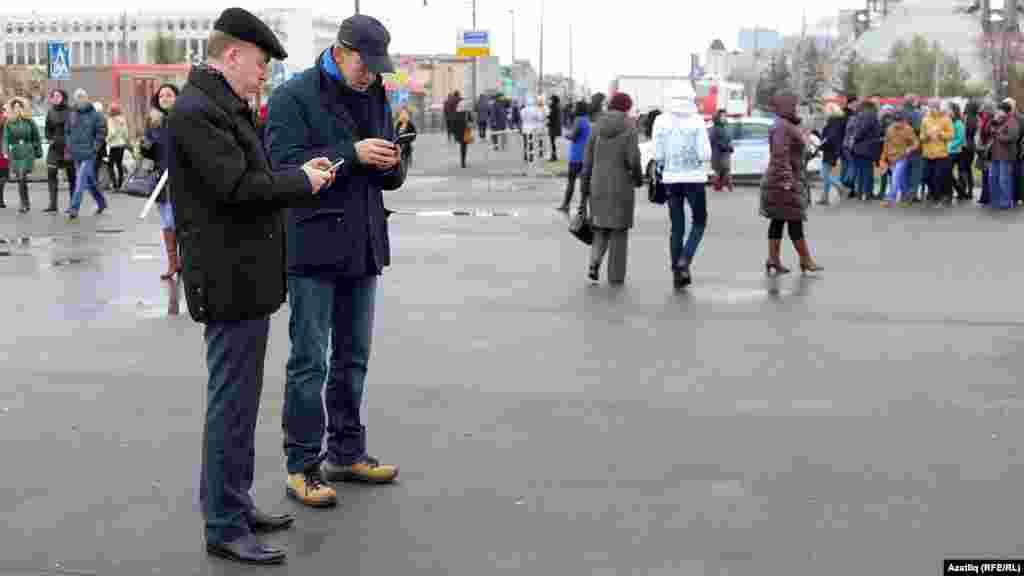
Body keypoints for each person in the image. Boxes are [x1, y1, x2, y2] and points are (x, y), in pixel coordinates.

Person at [168, 7, 335, 565]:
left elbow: (250, 179)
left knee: (239, 404)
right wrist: (302, 182)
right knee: (231, 406)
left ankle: (234, 506)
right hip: (228, 281)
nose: (264, 74)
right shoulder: (198, 111)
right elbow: (238, 186)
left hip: (244, 280)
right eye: (261, 63)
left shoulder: (222, 106)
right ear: (232, 54)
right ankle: (223, 523)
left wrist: (294, 175)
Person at [266, 14, 406, 509]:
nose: (371, 75)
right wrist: (352, 153)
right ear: (341, 51)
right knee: (310, 361)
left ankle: (347, 452)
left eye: (376, 68)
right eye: (365, 66)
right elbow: (283, 165)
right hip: (313, 247)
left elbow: (386, 173)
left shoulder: (375, 93)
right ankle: (302, 465)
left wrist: (393, 163)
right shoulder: (292, 97)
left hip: (365, 243)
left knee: (353, 358)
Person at [653, 84, 712, 290]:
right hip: (694, 179)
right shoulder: (696, 121)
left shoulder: (660, 121)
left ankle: (677, 274)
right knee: (700, 221)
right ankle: (685, 260)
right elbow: (705, 154)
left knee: (677, 227)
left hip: (671, 179)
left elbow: (658, 155)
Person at [580, 92, 642, 285]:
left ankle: (593, 265)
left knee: (599, 229)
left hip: (597, 184)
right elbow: (633, 159)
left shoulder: (597, 126)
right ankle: (615, 277)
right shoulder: (629, 128)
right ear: (626, 107)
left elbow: (587, 160)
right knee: (619, 232)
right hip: (621, 186)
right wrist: (638, 178)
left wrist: (584, 188)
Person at [760, 92, 822, 276]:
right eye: (794, 105)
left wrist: (809, 153)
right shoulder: (782, 127)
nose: (796, 108)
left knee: (778, 220)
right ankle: (805, 260)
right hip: (784, 182)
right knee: (794, 220)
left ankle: (774, 259)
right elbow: (780, 156)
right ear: (786, 106)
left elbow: (791, 153)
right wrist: (787, 180)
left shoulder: (786, 125)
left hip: (783, 180)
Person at [144, 83, 181, 279]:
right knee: (167, 221)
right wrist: (145, 147)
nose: (165, 99)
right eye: (161, 96)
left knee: (175, 220)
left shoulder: (183, 119)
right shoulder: (153, 121)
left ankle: (180, 262)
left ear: (177, 97)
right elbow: (147, 150)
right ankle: (173, 263)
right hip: (159, 177)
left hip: (180, 177)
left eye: (169, 95)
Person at [65, 89, 108, 220]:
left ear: (87, 98)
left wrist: (94, 148)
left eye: (82, 97)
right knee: (89, 182)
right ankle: (101, 202)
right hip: (76, 152)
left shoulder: (97, 115)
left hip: (90, 153)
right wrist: (69, 145)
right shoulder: (71, 114)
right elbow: (67, 131)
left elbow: (101, 133)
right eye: (78, 97)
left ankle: (74, 208)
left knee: (80, 180)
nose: (80, 100)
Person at [3, 98, 42, 214]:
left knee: (22, 176)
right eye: (15, 107)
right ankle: (25, 202)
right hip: (16, 153)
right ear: (12, 109)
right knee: (20, 179)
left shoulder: (30, 122)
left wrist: (37, 150)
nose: (17, 109)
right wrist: (5, 151)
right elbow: (5, 138)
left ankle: (24, 204)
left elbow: (36, 137)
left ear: (22, 108)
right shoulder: (9, 123)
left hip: (27, 152)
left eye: (19, 107)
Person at [44, 89, 75, 213]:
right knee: (51, 173)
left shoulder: (71, 110)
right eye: (53, 96)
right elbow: (47, 129)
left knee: (72, 177)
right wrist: (49, 138)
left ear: (63, 97)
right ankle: (53, 204)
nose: (55, 98)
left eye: (58, 96)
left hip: (68, 147)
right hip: (54, 148)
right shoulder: (50, 111)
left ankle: (73, 204)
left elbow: (76, 128)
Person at [920, 98, 955, 207]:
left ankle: (939, 198)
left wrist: (941, 134)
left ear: (939, 106)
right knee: (926, 176)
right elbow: (921, 135)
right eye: (931, 106)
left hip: (941, 154)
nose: (932, 108)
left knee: (938, 177)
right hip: (927, 153)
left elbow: (951, 135)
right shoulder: (925, 119)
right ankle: (933, 195)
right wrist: (925, 137)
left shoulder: (946, 119)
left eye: (935, 106)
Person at [881, 112, 919, 208]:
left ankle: (890, 199)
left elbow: (915, 142)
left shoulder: (908, 129)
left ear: (903, 121)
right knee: (900, 179)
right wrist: (884, 158)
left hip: (902, 157)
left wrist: (909, 149)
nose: (898, 123)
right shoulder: (889, 129)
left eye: (900, 121)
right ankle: (906, 197)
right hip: (891, 158)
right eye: (896, 121)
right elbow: (886, 144)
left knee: (895, 177)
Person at [558, 100, 591, 213]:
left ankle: (566, 204)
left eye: (575, 107)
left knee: (571, 182)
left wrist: (566, 135)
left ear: (579, 109)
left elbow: (573, 136)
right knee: (584, 183)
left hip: (576, 156)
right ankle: (582, 206)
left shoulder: (579, 120)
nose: (573, 109)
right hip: (586, 156)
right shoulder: (587, 120)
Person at [989, 101, 1019, 210]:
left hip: (1006, 156)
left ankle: (1006, 202)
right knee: (993, 178)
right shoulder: (998, 120)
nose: (997, 112)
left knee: (1004, 179)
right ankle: (996, 200)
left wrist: (998, 134)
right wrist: (993, 122)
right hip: (995, 154)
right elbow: (988, 131)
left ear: (1005, 111)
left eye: (999, 110)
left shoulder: (1012, 122)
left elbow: (1013, 137)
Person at [851, 98, 882, 200]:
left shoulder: (864, 115)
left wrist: (854, 138)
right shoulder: (872, 115)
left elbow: (861, 130)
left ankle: (861, 193)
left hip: (861, 148)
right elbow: (866, 130)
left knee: (861, 172)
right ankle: (867, 193)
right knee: (867, 172)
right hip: (868, 148)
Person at [818, 102, 846, 205]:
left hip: (831, 150)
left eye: (826, 110)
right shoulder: (837, 120)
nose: (825, 112)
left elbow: (831, 136)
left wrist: (824, 141)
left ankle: (841, 188)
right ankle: (825, 197)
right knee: (827, 174)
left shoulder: (834, 121)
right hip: (832, 150)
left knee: (824, 174)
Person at [709, 109, 734, 192]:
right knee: (720, 171)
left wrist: (730, 146)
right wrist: (725, 146)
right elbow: (714, 141)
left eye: (725, 116)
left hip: (725, 152)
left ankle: (721, 186)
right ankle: (725, 186)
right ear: (717, 117)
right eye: (722, 116)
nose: (724, 117)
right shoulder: (715, 128)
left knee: (725, 170)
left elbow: (729, 139)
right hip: (718, 153)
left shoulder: (726, 127)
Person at [105, 102, 129, 191]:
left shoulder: (111, 120)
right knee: (119, 164)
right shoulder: (123, 119)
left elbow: (112, 132)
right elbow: (126, 133)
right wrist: (125, 140)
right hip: (121, 144)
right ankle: (120, 184)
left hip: (114, 145)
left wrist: (106, 140)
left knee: (110, 165)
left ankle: (115, 185)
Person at [961, 101, 980, 201]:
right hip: (972, 145)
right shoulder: (976, 119)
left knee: (963, 168)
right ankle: (970, 191)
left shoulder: (966, 118)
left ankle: (963, 190)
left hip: (965, 146)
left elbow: (964, 132)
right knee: (968, 169)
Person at [948, 102, 966, 200]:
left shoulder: (958, 123)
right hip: (949, 151)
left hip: (955, 152)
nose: (947, 111)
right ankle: (958, 191)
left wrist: (950, 147)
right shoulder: (950, 121)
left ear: (954, 111)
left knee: (949, 173)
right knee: (948, 173)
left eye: (949, 109)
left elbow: (960, 138)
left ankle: (960, 191)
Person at [451, 95, 473, 168]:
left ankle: (462, 161)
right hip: (465, 132)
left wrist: (453, 133)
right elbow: (471, 121)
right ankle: (463, 161)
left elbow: (453, 124)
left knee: (462, 146)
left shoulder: (456, 113)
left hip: (458, 132)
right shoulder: (467, 113)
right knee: (464, 147)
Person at [547, 94, 562, 162]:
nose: (550, 101)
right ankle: (554, 155)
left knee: (552, 142)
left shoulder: (553, 107)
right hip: (556, 127)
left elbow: (551, 117)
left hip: (553, 127)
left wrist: (547, 118)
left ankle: (554, 156)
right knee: (553, 142)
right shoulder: (557, 107)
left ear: (553, 100)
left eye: (551, 100)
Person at [0, 105, 8, 208]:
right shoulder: (4, 117)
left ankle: (1, 199)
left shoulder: (5, 116)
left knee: (3, 176)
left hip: (2, 150)